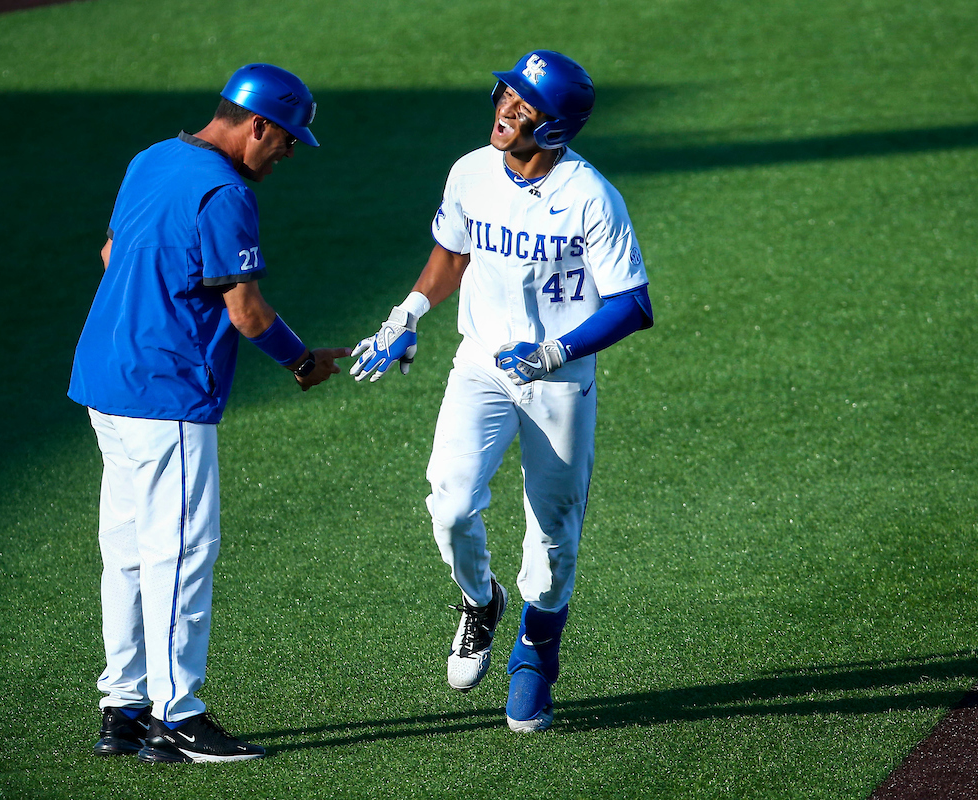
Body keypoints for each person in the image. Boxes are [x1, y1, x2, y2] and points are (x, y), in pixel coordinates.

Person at [351, 50, 653, 732]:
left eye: (526, 103)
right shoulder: (470, 171)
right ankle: (480, 600)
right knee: (450, 504)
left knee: (552, 540)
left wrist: (555, 350)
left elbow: (632, 304)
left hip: (561, 382)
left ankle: (536, 657)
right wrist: (408, 314)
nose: (508, 109)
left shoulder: (590, 196)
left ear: (555, 126)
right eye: (507, 94)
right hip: (481, 366)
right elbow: (453, 250)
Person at [68, 63, 349, 763]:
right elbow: (246, 311)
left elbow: (111, 254)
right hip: (168, 396)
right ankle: (178, 717)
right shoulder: (225, 193)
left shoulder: (153, 157)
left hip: (106, 378)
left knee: (129, 554)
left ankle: (124, 708)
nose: (286, 156)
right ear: (258, 125)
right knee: (181, 554)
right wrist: (301, 361)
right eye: (286, 141)